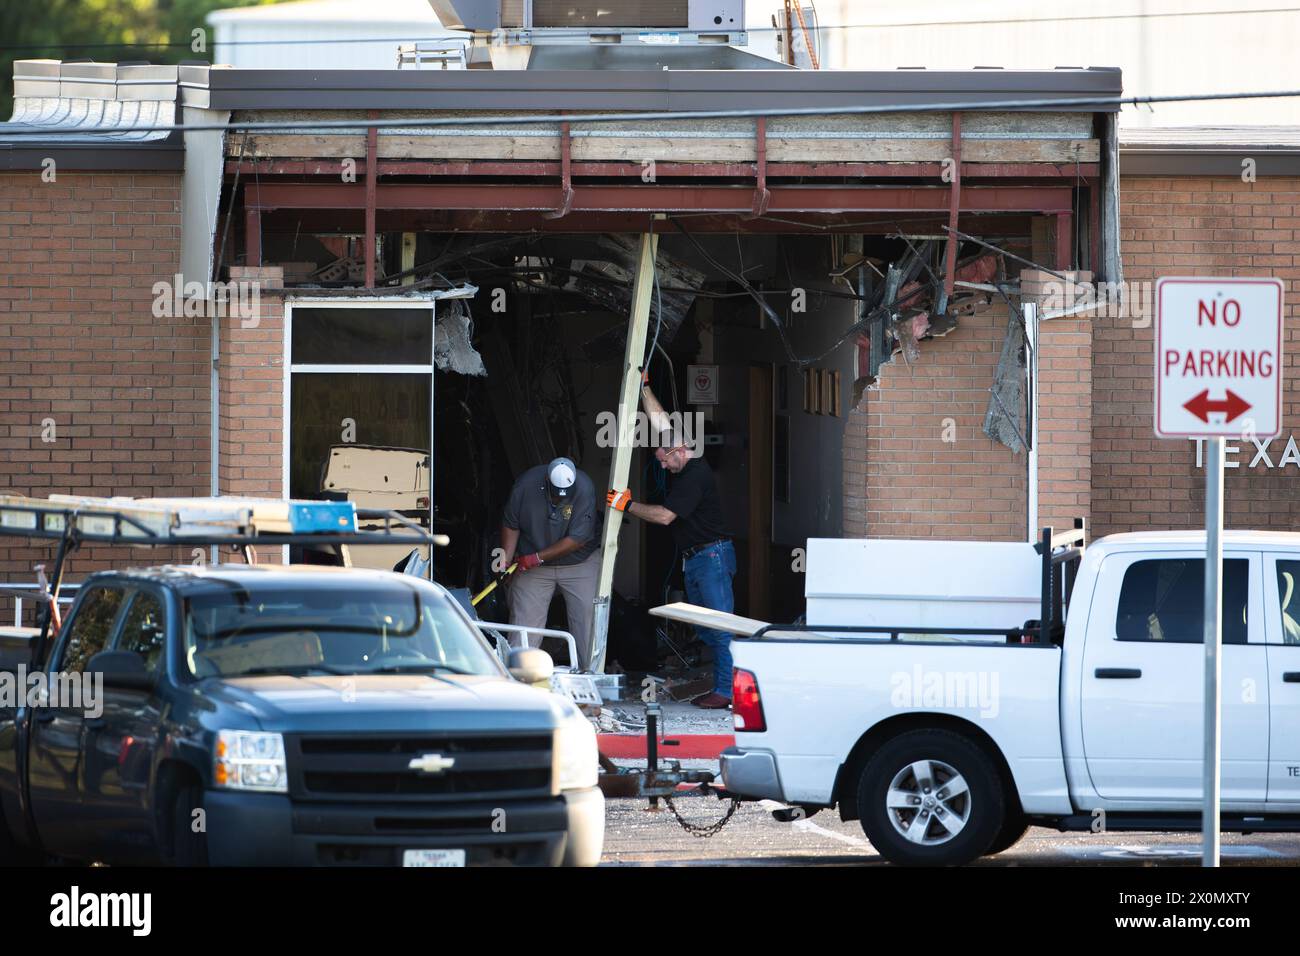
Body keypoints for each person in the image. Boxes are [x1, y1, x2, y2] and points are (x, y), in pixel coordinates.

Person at [607, 383, 735, 709]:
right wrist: (645, 386)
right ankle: (728, 681)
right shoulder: (679, 450)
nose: (662, 467)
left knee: (720, 628)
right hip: (698, 559)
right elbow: (660, 420)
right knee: (703, 626)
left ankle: (727, 691)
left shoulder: (695, 475)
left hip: (712, 557)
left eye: (665, 461)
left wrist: (626, 505)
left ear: (679, 452)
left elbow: (664, 516)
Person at [500, 457, 600, 669]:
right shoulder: (525, 485)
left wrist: (537, 558)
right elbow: (511, 524)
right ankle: (519, 680)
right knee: (523, 624)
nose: (558, 499)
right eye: (554, 494)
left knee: (588, 620)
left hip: (579, 562)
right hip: (533, 564)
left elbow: (577, 539)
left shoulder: (584, 487)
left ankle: (591, 676)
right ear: (547, 481)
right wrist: (505, 561)